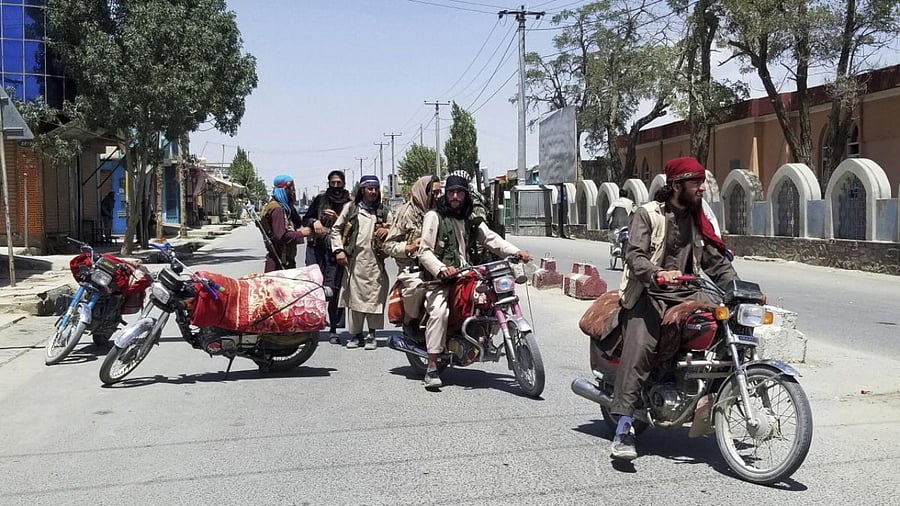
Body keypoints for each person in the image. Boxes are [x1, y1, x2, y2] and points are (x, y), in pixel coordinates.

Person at [610, 157, 738, 461]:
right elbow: (635, 254)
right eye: (696, 182)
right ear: (676, 185)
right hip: (649, 293)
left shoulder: (697, 220)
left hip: (686, 293)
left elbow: (715, 262)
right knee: (641, 346)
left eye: (702, 182)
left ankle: (711, 399)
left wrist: (739, 289)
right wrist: (656, 273)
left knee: (726, 324)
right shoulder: (648, 214)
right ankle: (624, 427)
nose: (702, 188)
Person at [418, 174, 532, 389]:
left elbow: (490, 238)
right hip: (441, 279)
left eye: (459, 192)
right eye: (451, 192)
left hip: (467, 274)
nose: (454, 196)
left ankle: (480, 338)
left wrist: (516, 252)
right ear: (445, 193)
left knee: (489, 298)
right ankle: (432, 366)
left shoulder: (470, 217)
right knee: (439, 312)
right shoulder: (434, 216)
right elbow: (424, 251)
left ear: (465, 195)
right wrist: (441, 269)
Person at [330, 175, 391, 350]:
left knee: (374, 298)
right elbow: (336, 230)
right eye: (369, 188)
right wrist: (339, 250)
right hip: (354, 262)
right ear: (362, 190)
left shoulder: (383, 211)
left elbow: (396, 231)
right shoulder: (351, 208)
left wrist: (386, 230)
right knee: (355, 300)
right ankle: (356, 335)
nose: (373, 192)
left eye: (375, 188)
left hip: (375, 263)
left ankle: (372, 334)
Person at [382, 175, 441, 331]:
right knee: (418, 287)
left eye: (439, 192)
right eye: (434, 193)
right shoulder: (406, 213)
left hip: (436, 264)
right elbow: (388, 245)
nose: (438, 196)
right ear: (424, 192)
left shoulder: (440, 212)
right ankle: (410, 322)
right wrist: (409, 247)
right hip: (412, 268)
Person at [303, 170, 352, 344]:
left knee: (333, 288)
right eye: (333, 183)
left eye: (339, 183)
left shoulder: (349, 203)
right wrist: (314, 222)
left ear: (344, 183)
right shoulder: (320, 200)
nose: (336, 186)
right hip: (317, 249)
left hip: (336, 250)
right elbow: (306, 218)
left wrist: (338, 219)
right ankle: (312, 325)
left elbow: (353, 226)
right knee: (313, 286)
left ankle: (333, 329)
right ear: (329, 183)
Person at [259, 175, 309, 272]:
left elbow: (298, 223)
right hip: (279, 263)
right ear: (285, 190)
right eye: (291, 189)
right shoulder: (277, 209)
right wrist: (302, 233)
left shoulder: (282, 207)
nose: (293, 192)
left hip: (285, 260)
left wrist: (291, 204)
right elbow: (281, 236)